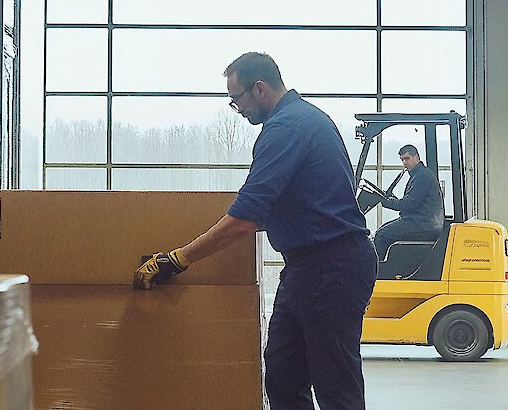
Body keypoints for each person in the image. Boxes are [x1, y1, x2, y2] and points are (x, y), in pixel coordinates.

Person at [134, 52, 376, 410]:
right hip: (309, 268)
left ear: (259, 89)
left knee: (335, 385)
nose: (238, 108)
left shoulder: (286, 128)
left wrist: (179, 258)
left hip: (330, 268)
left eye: (238, 100)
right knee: (282, 373)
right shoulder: (303, 120)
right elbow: (276, 208)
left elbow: (246, 218)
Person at [371, 144, 444, 261]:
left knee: (382, 235)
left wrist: (387, 202)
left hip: (422, 224)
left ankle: (377, 272)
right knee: (381, 230)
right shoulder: (419, 175)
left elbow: (409, 204)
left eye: (407, 158)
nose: (404, 163)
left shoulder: (422, 177)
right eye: (402, 160)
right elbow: (410, 202)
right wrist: (390, 199)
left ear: (417, 157)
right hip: (422, 221)